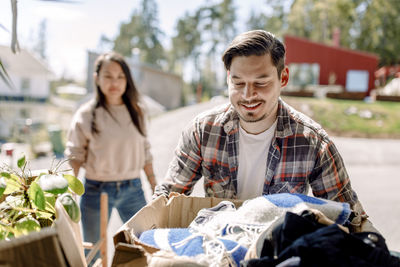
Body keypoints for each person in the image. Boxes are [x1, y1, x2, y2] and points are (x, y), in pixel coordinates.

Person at [154, 30, 375, 232]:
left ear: (284, 78)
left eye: (261, 83)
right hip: (218, 249)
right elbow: (167, 198)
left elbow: (350, 219)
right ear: (228, 77)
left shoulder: (313, 142)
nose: (248, 95)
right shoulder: (202, 131)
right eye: (238, 83)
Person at [65, 52, 157, 250]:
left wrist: (154, 185)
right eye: (108, 76)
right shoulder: (86, 115)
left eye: (120, 76)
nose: (114, 82)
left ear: (127, 79)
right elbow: (75, 157)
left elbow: (145, 152)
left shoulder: (137, 111)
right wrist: (69, 195)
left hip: (133, 188)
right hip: (95, 190)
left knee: (143, 246)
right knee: (93, 252)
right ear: (96, 78)